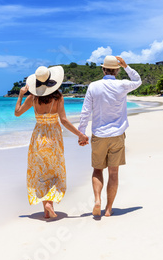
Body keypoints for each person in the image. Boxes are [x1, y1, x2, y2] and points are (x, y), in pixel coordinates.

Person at [15, 65, 88, 218]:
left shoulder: (33, 98)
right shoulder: (58, 98)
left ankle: (46, 211)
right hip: (53, 138)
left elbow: (17, 113)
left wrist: (21, 94)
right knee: (55, 172)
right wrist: (80, 135)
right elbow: (64, 121)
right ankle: (49, 203)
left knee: (41, 173)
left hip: (38, 138)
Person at [78, 55, 142, 217]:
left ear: (103, 68)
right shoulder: (122, 84)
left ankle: (97, 200)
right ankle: (108, 209)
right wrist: (126, 66)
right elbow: (138, 80)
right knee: (113, 173)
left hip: (99, 135)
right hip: (117, 135)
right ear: (117, 70)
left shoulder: (93, 86)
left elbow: (86, 111)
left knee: (97, 170)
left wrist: (81, 133)